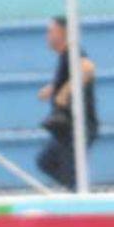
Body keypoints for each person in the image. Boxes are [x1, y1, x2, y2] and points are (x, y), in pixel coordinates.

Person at [36, 16, 98, 192]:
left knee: (61, 166)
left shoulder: (73, 51)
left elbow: (88, 68)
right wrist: (53, 88)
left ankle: (79, 202)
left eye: (51, 31)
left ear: (63, 32)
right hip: (66, 128)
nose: (47, 36)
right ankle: (75, 194)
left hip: (79, 125)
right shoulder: (65, 56)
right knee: (46, 161)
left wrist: (63, 93)